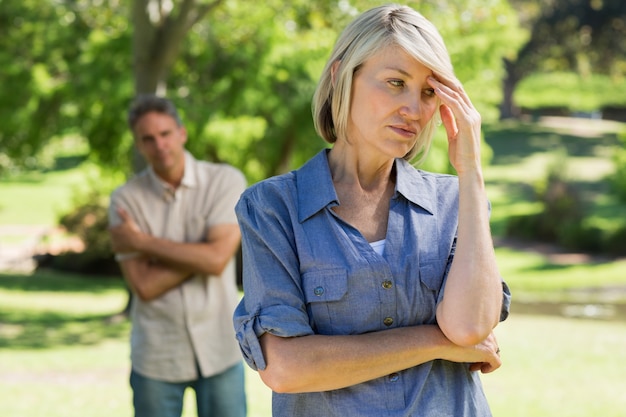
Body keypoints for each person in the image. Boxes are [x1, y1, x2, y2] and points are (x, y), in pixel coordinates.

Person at [233, 4, 511, 417]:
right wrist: (437, 342)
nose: (414, 110)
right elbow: (286, 367)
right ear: (341, 77)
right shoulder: (272, 209)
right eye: (395, 82)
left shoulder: (456, 203)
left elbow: (471, 328)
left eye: (429, 92)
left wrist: (470, 170)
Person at [108, 94, 247, 417]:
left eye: (166, 134)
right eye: (148, 139)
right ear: (139, 145)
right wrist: (204, 253)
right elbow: (144, 285)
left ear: (182, 133)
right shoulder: (124, 201)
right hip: (157, 355)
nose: (159, 145)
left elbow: (216, 261)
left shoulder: (225, 181)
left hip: (220, 348)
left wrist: (141, 242)